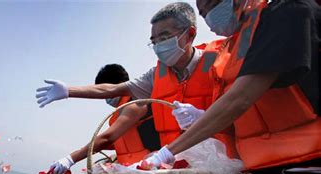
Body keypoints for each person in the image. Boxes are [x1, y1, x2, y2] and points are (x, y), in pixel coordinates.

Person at [37, 3, 235, 165]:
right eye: (154, 41)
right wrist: (68, 90)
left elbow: (245, 103)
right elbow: (113, 89)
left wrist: (203, 117)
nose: (158, 46)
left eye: (164, 38)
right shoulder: (156, 75)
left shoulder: (220, 61)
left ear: (190, 34)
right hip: (175, 169)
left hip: (224, 164)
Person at [143, 0, 320, 169]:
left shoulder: (286, 12)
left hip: (309, 159)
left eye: (214, 4)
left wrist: (165, 154)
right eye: (204, 13)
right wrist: (201, 116)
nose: (211, 15)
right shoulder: (234, 45)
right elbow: (247, 112)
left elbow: (240, 99)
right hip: (260, 163)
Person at [49, 64, 160, 174]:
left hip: (150, 171)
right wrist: (93, 147)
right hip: (132, 171)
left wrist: (71, 159)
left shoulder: (136, 103)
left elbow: (107, 138)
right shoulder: (117, 114)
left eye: (105, 91)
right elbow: (113, 142)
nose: (105, 98)